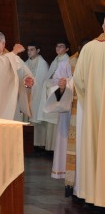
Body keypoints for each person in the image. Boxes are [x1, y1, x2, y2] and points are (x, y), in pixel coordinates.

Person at [73, 14, 105, 208]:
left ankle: (94, 196)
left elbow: (78, 80)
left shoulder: (90, 47)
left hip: (95, 110)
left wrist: (90, 101)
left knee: (94, 148)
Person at [0, 30, 35, 120]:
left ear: (3, 44)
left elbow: (26, 75)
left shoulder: (15, 60)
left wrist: (27, 81)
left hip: (8, 105)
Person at [65, 38, 90, 196]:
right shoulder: (74, 63)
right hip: (80, 109)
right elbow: (73, 84)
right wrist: (62, 87)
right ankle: (79, 188)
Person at [37, 39, 71, 151]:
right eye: (57, 46)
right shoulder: (56, 60)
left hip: (58, 93)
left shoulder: (67, 61)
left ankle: (56, 149)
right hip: (51, 91)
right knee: (50, 123)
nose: (58, 48)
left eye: (61, 46)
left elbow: (66, 79)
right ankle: (50, 148)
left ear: (67, 49)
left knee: (57, 122)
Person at [25, 42, 50, 147]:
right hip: (27, 95)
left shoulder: (42, 64)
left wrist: (31, 84)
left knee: (36, 118)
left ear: (38, 51)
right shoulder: (26, 62)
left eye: (32, 49)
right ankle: (28, 144)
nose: (29, 52)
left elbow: (41, 82)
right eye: (28, 50)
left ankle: (38, 144)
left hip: (37, 95)